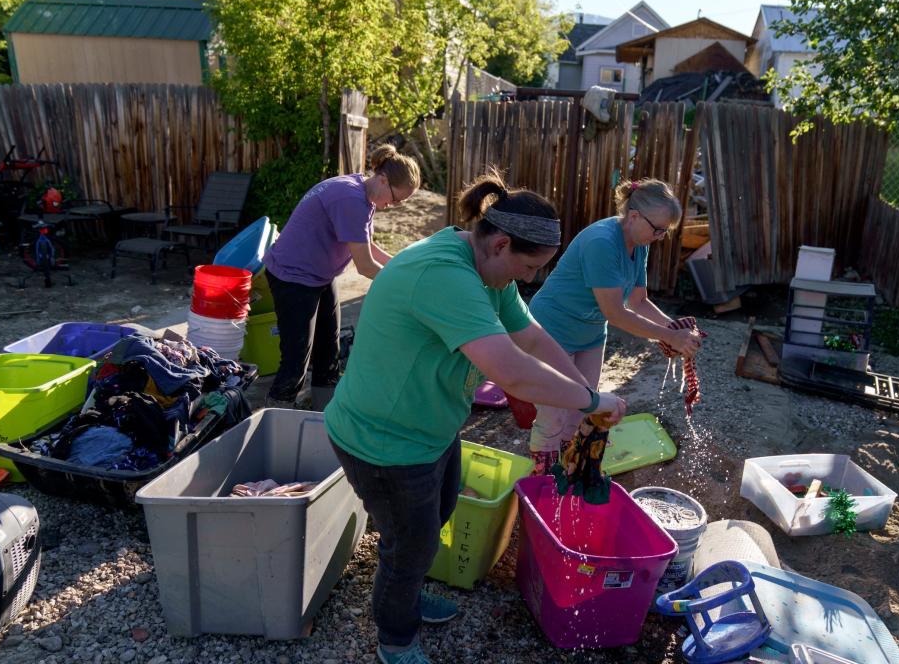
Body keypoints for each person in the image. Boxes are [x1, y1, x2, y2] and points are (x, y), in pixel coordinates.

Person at [324, 173, 627, 664]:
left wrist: (587, 389)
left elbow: (529, 336)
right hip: (382, 441)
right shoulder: (444, 275)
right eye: (528, 267)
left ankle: (408, 589)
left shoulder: (485, 267)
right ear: (501, 243)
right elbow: (511, 369)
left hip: (429, 429)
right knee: (408, 547)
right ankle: (395, 640)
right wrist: (590, 404)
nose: (528, 279)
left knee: (436, 517)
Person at [526, 178, 704, 474]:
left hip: (590, 333)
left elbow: (638, 301)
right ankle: (542, 475)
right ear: (633, 216)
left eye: (665, 231)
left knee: (583, 404)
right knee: (553, 412)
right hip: (552, 329)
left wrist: (677, 331)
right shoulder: (602, 242)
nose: (660, 236)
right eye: (657, 228)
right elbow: (616, 313)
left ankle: (567, 466)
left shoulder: (639, 241)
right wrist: (670, 336)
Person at [263, 144, 420, 410]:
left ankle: (325, 416)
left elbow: (366, 244)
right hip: (293, 277)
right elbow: (365, 266)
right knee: (297, 358)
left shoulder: (364, 192)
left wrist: (399, 266)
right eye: (395, 199)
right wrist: (405, 287)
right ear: (383, 179)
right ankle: (276, 416)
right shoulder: (350, 199)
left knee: (329, 351)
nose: (392, 206)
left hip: (319, 276)